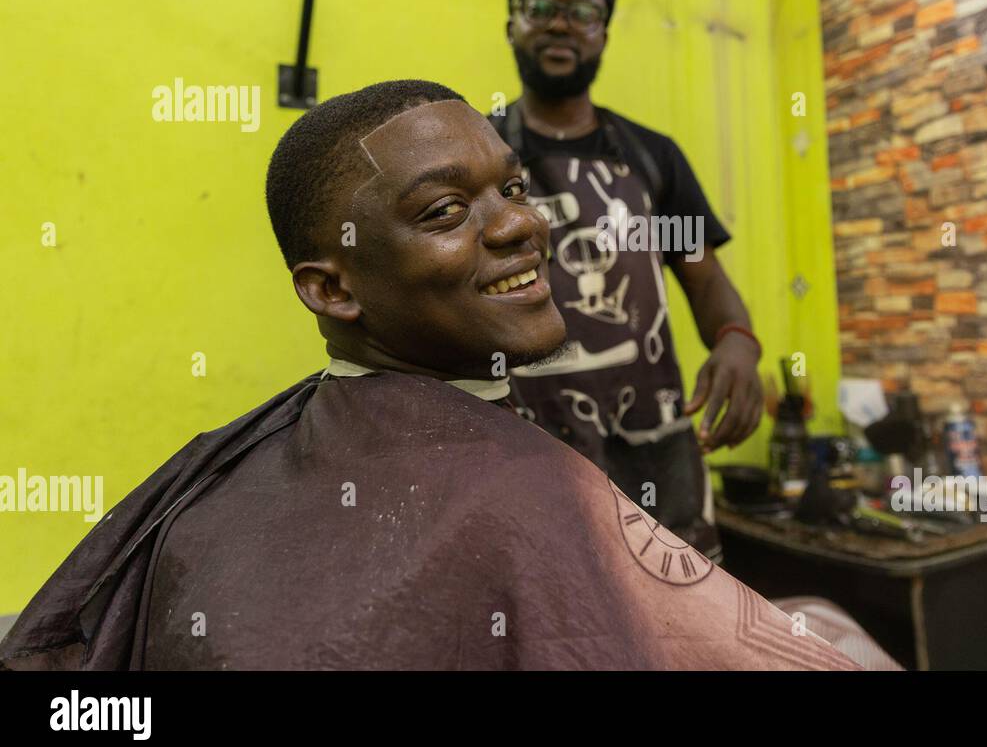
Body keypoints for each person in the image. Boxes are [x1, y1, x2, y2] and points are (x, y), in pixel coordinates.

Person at [0, 80, 876, 671]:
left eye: (514, 188)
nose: (522, 227)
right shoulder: (525, 495)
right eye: (448, 211)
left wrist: (736, 338)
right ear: (333, 287)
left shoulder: (245, 454)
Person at [492, 0, 763, 560]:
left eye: (582, 12)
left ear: (603, 35)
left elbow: (703, 278)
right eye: (541, 6)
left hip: (655, 446)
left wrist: (737, 341)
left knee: (674, 623)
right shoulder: (480, 153)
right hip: (521, 444)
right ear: (513, 23)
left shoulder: (650, 156)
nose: (561, 23)